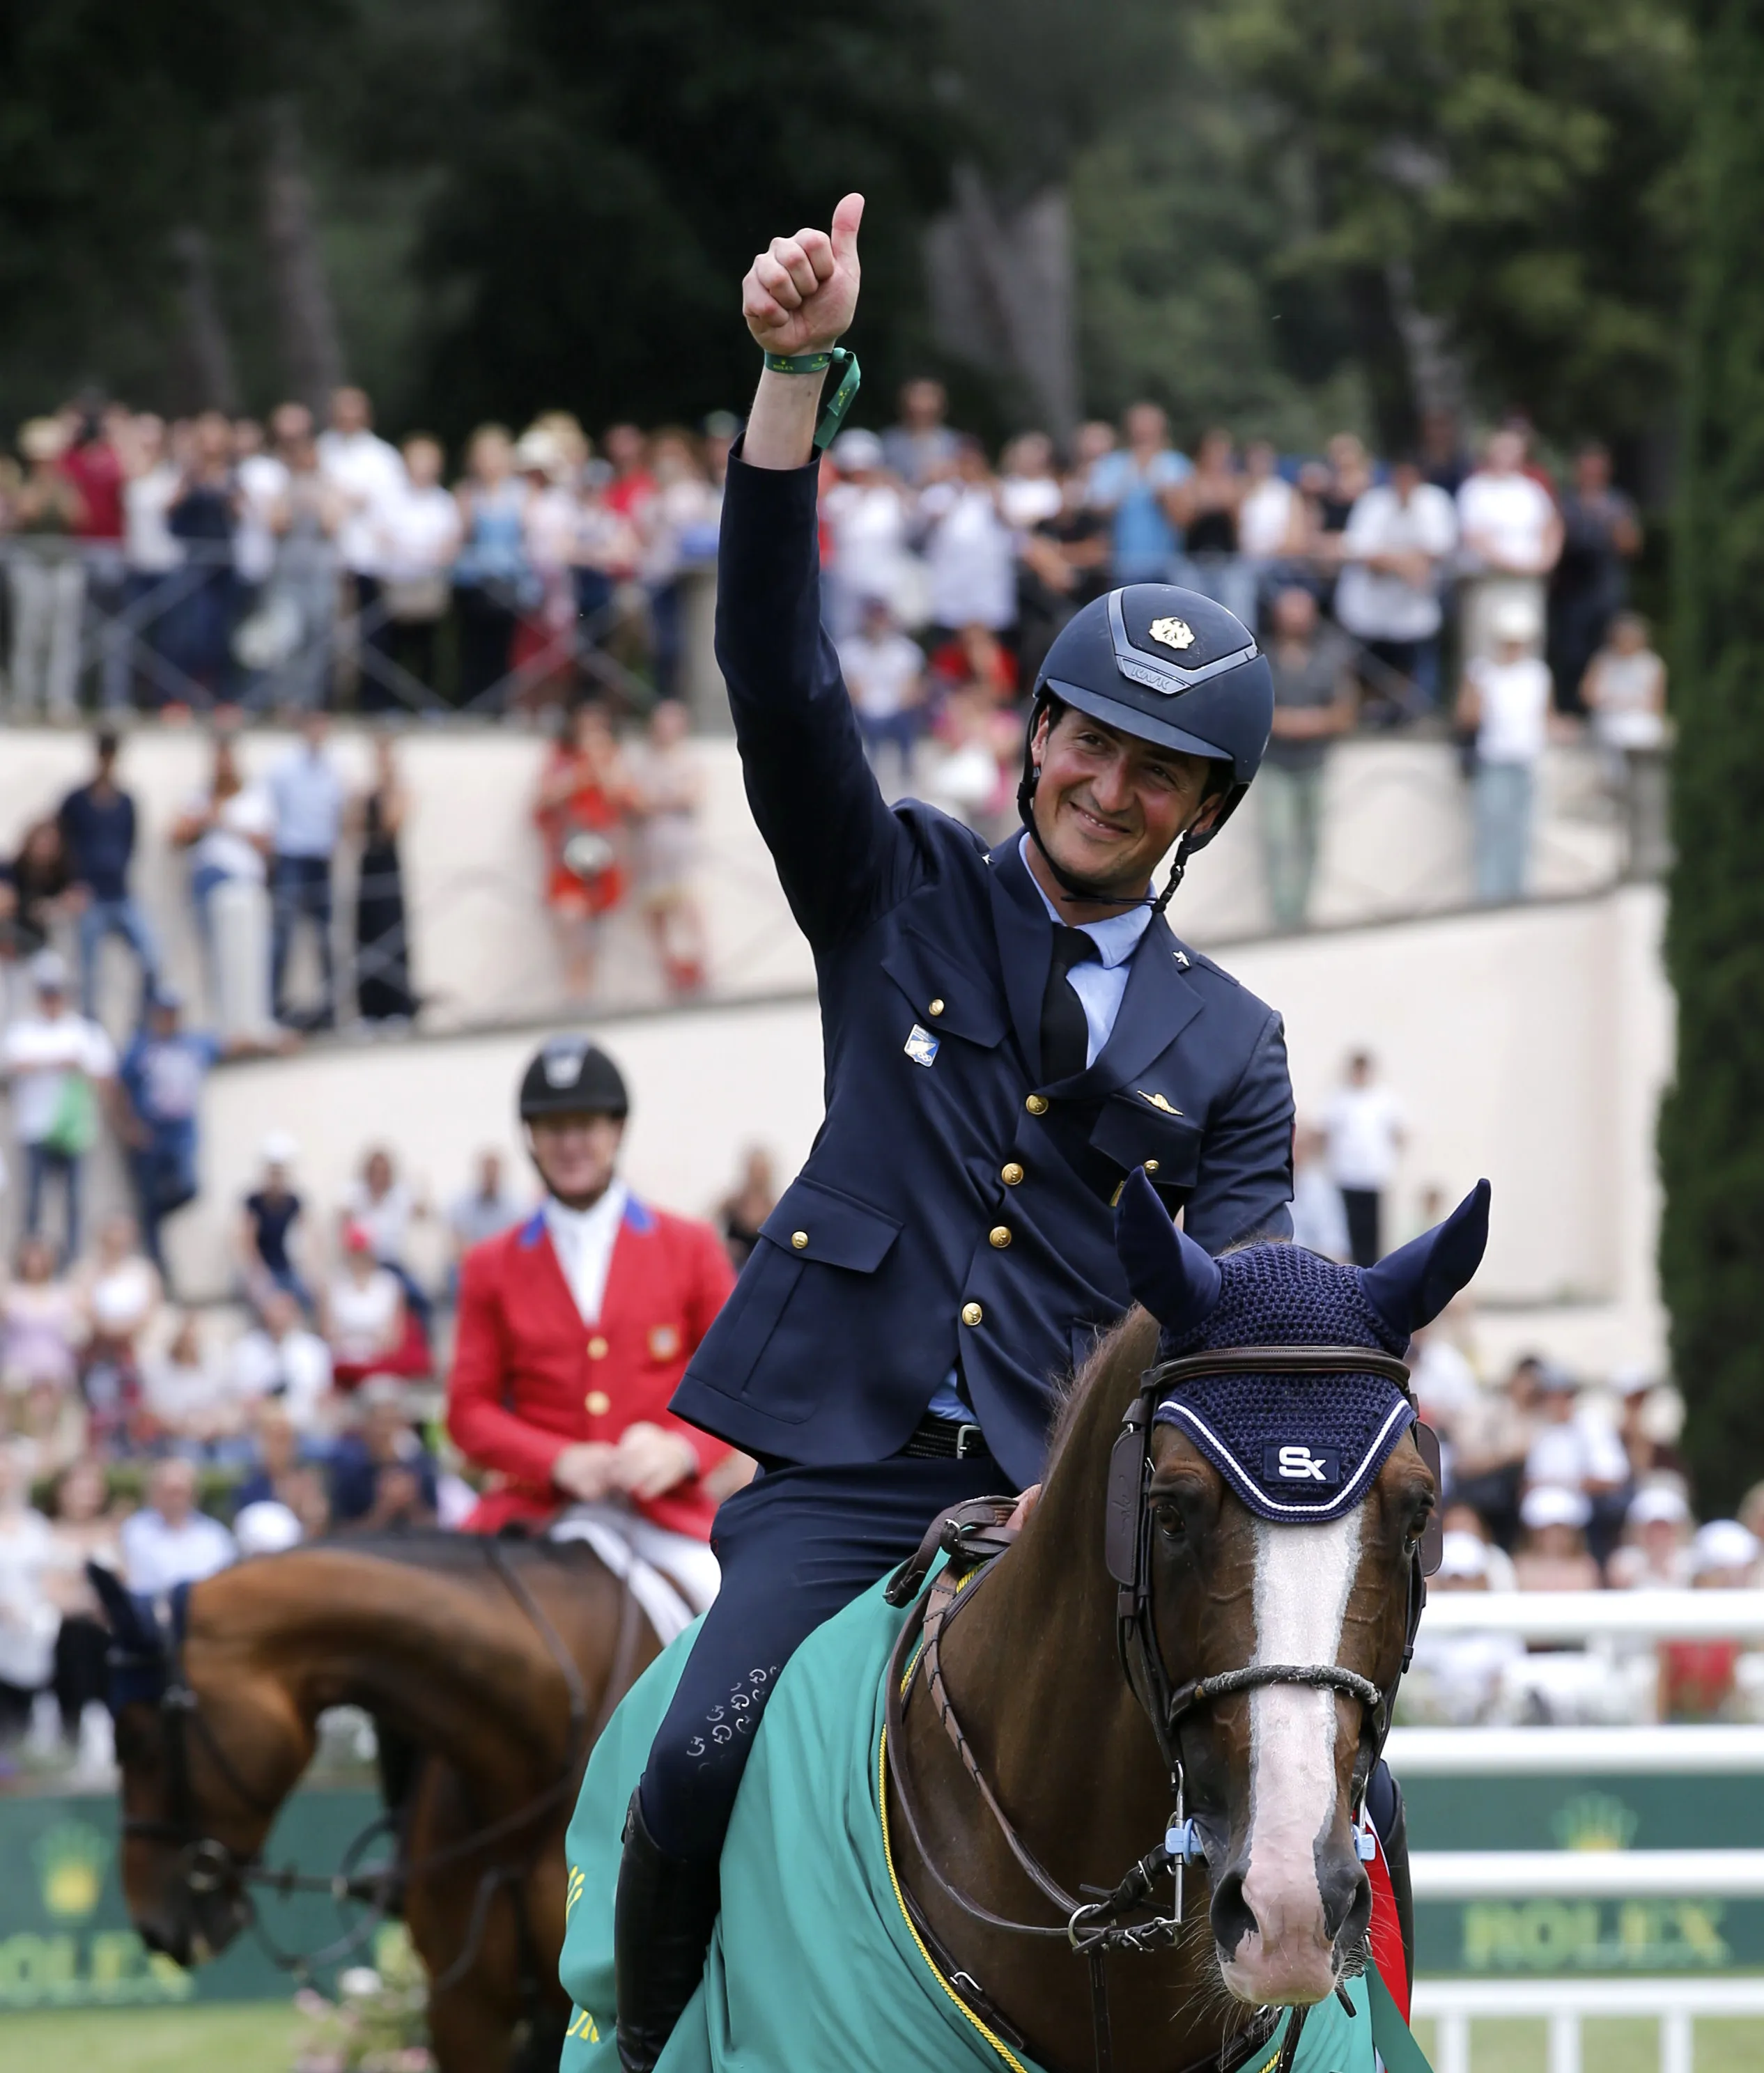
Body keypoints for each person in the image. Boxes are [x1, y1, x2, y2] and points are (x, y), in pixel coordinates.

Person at [608, 194, 1297, 2070]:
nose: (1105, 782)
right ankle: (652, 2049)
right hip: (848, 1467)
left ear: (1200, 812)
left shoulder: (1235, 1045)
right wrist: (787, 384)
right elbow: (775, 672)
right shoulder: (891, 886)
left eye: (1155, 768)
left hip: (1086, 1503)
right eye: (1085, 738)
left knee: (1336, 1797)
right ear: (1033, 736)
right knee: (694, 1759)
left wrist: (1131, 1476)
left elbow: (1231, 1309)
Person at [447, 1038, 740, 1547]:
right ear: (531, 1137)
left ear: (617, 1129)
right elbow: (468, 1410)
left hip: (664, 1513)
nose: (570, 1145)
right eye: (553, 1128)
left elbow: (737, 1384)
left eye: (585, 1125)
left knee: (739, 1598)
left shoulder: (690, 1246)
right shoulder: (489, 1264)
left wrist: (680, 1451)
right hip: (535, 1513)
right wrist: (554, 1460)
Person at [1, 950, 118, 1259]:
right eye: (46, 992)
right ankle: (28, 1262)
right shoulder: (23, 1032)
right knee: (33, 1202)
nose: (51, 999)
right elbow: (12, 1066)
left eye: (55, 991)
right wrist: (57, 1062)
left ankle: (71, 1260)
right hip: (35, 1128)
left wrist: (76, 1068)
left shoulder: (83, 1031)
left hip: (75, 1131)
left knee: (74, 1202)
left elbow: (105, 1077)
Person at [1258, 585, 1357, 931]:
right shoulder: (1263, 658)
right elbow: (1257, 712)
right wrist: (1302, 721)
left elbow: (1345, 712)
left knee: (1311, 841)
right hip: (1275, 764)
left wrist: (1302, 723)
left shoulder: (1329, 659)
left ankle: (1303, 916)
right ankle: (1282, 918)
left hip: (1315, 763)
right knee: (1278, 839)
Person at [1333, 454, 1458, 716]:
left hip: (1414, 609)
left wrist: (1393, 561)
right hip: (1369, 608)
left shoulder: (1435, 502)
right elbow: (1361, 551)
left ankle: (1412, 712)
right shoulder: (1373, 502)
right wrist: (1406, 565)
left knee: (1410, 667)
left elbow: (1439, 550)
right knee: (1367, 667)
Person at [171, 733, 276, 1033]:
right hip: (206, 885)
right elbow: (176, 835)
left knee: (246, 959)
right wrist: (204, 819)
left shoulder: (254, 796)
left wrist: (226, 821)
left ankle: (249, 1024)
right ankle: (222, 1025)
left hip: (241, 887)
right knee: (215, 959)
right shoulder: (200, 797)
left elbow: (267, 843)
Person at [115, 987, 222, 1280]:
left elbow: (229, 1043)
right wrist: (129, 1126)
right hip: (150, 1133)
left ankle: (152, 1216)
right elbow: (119, 1087)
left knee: (189, 1187)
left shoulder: (194, 1043)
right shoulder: (141, 1048)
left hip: (182, 1132)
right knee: (149, 1200)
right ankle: (159, 1267)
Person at [59, 729, 161, 1020]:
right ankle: (92, 1032)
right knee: (89, 975)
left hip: (121, 893)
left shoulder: (126, 801)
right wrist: (71, 885)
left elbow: (131, 844)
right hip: (90, 896)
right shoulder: (76, 800)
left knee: (152, 958)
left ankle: (143, 1025)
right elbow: (62, 843)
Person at [1457, 598, 1554, 903]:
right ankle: (1489, 896)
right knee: (1492, 828)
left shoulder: (1537, 673)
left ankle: (1516, 894)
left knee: (1520, 830)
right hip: (1494, 759)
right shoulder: (1482, 671)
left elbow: (1546, 717)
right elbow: (1467, 716)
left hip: (1525, 759)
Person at [535, 702, 633, 1000]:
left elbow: (625, 799)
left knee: (595, 931)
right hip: (569, 854)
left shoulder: (613, 760)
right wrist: (580, 773)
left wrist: (601, 767)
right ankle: (574, 989)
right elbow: (544, 799)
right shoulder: (562, 759)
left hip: (601, 857)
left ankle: (586, 992)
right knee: (570, 918)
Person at [316, 387, 405, 707]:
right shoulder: (321, 449)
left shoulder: (383, 456)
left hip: (370, 560)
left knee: (373, 637)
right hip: (327, 560)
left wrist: (348, 498)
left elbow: (390, 506)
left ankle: (374, 704)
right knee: (323, 634)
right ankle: (323, 703)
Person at [1455, 428, 1563, 665]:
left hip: (1527, 583)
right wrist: (1515, 566)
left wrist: (1546, 561)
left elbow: (1551, 527)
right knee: (1485, 652)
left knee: (1528, 647)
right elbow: (1476, 538)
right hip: (1489, 582)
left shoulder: (1532, 490)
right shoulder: (1475, 490)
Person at [1548, 443, 1641, 714]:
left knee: (1606, 650)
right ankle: (1569, 709)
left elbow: (1632, 546)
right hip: (1571, 591)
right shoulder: (1566, 502)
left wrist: (1614, 528)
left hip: (1606, 589)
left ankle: (1603, 709)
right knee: (1571, 651)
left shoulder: (1617, 503)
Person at [268, 708, 346, 1029]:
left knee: (326, 936)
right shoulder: (284, 768)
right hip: (291, 856)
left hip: (320, 858)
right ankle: (273, 1006)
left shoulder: (333, 769)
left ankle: (331, 1008)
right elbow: (271, 812)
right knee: (283, 933)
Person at [5, 417, 85, 721]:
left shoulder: (67, 484)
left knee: (63, 636)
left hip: (63, 563)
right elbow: (26, 512)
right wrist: (43, 486)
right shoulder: (22, 482)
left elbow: (78, 516)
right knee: (29, 634)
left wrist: (59, 487)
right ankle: (24, 700)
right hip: (30, 564)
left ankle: (59, 701)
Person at [628, 700, 709, 995]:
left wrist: (657, 801)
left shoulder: (688, 760)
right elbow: (636, 800)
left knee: (684, 900)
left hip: (677, 840)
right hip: (650, 843)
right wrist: (662, 800)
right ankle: (669, 969)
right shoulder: (644, 761)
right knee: (656, 906)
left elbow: (690, 796)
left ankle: (699, 964)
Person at [374, 433, 461, 704]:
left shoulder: (444, 502)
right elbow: (382, 537)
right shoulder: (390, 499)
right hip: (395, 583)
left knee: (427, 647)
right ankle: (389, 705)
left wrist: (418, 553)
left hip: (429, 584)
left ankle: (427, 703)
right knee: (392, 647)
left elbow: (450, 542)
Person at [1583, 612, 1669, 879]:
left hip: (1640, 732)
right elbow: (1589, 693)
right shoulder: (1603, 661)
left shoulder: (1653, 665)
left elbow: (1656, 705)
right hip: (1611, 730)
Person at [452, 424, 531, 708]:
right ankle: (472, 704)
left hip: (509, 580)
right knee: (472, 646)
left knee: (505, 647)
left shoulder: (521, 492)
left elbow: (528, 533)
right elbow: (461, 536)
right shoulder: (467, 492)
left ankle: (499, 706)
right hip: (474, 581)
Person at [1087, 401, 1190, 584]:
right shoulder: (1112, 464)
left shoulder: (1175, 464)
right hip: (1121, 564)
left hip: (1167, 563)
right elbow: (1098, 509)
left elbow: (1183, 517)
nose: (1144, 431)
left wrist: (1164, 493)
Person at [351, 733, 417, 1023]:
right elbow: (353, 828)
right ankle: (370, 1009)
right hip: (368, 864)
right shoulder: (363, 793)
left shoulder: (401, 791)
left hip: (389, 865)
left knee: (391, 931)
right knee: (366, 935)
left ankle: (397, 1007)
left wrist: (386, 787)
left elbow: (391, 824)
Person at [1322, 1050, 1406, 1266]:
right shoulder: (1340, 1098)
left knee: (1371, 1231)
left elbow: (1399, 1131)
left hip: (1373, 1176)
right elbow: (1325, 1131)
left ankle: (1370, 1268)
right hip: (1346, 1174)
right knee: (1348, 1230)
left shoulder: (1383, 1098)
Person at [835, 593, 927, 787]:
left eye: (881, 618)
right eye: (873, 618)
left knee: (906, 721)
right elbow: (852, 689)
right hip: (865, 710)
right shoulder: (849, 651)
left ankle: (907, 773)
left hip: (896, 709)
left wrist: (895, 705)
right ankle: (862, 774)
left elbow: (912, 689)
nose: (877, 623)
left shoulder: (906, 652)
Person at [329, 1379, 439, 1528]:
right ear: (365, 1425)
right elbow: (339, 1531)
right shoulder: (348, 1468)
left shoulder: (421, 1465)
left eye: (394, 1422)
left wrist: (411, 1503)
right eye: (381, 1422)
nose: (387, 1431)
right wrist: (384, 1508)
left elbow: (434, 1525)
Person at [117, 1456, 235, 1593]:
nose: (174, 1500)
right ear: (153, 1493)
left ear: (194, 1493)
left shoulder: (215, 1536)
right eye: (167, 1492)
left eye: (179, 1492)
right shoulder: (133, 1531)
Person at [229, 1289, 335, 1435]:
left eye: (283, 1310)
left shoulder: (314, 1348)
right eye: (274, 1311)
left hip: (306, 1426)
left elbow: (322, 1395)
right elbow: (245, 1397)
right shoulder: (246, 1349)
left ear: (294, 1313)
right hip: (261, 1428)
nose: (278, 1318)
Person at [324, 1224, 416, 1388]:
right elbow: (330, 1333)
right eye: (355, 1252)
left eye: (363, 1252)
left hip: (379, 1363)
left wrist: (367, 1347)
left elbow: (394, 1338)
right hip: (344, 1363)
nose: (359, 1258)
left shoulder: (388, 1284)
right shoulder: (335, 1285)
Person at [238, 1133, 314, 1312]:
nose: (277, 1177)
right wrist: (260, 1273)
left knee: (314, 1294)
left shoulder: (295, 1202)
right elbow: (248, 1242)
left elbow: (308, 1237)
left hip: (288, 1268)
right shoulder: (254, 1202)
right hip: (262, 1269)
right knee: (266, 1298)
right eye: (274, 1171)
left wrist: (307, 1270)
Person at [1, 1234, 82, 1392]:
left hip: (56, 1372)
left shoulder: (64, 1294)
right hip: (17, 1373)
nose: (35, 1264)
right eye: (31, 1258)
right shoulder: (10, 1294)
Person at [1511, 1484, 1602, 1591]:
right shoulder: (1520, 1567)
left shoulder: (1586, 1567)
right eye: (1546, 1531)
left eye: (1562, 1530)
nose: (1554, 1537)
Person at [448, 1149, 527, 1266]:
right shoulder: (461, 1206)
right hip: (472, 1262)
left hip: (503, 1263)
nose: (490, 1175)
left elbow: (517, 1244)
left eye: (493, 1171)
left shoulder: (516, 1208)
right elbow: (458, 1244)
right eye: (487, 1170)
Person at [880, 376, 958, 488]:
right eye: (917, 397)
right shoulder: (888, 442)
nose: (922, 406)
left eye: (928, 397)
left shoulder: (955, 443)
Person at [715, 1146, 777, 1271]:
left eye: (761, 1171)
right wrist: (726, 1247)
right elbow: (710, 1232)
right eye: (755, 1170)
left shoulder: (775, 1210)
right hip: (732, 1270)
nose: (758, 1176)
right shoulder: (731, 1205)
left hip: (761, 1271)